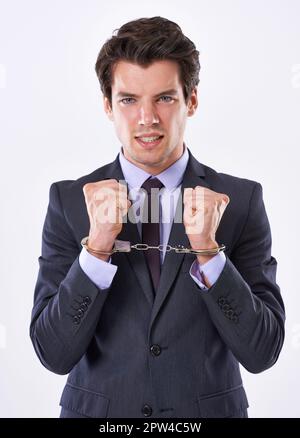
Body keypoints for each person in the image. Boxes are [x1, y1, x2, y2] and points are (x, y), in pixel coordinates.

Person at [30, 16, 285, 418]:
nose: (147, 118)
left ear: (192, 101)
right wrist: (95, 251)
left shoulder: (240, 200)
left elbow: (262, 351)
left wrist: (210, 254)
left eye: (164, 98)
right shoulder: (69, 201)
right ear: (108, 106)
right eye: (129, 100)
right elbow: (53, 353)